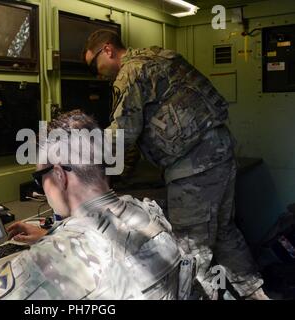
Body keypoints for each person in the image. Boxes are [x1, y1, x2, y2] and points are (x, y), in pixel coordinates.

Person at [81, 29, 268, 300]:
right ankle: (258, 295)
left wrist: (79, 163)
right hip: (220, 153)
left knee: (191, 250)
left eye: (93, 64)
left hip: (194, 166)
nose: (97, 73)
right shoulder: (157, 56)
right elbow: (140, 131)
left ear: (108, 49)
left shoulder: (130, 73)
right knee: (224, 230)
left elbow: (122, 135)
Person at [0, 110, 182, 300]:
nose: (41, 189)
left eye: (40, 179)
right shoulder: (148, 213)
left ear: (60, 175)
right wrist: (51, 236)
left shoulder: (46, 261)